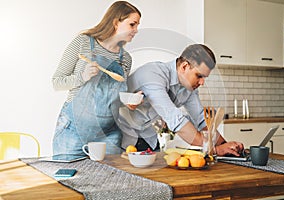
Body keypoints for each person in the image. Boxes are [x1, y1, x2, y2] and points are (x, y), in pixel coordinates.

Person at [117, 44, 244, 156]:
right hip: (118, 135)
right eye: (199, 76)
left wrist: (228, 146)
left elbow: (202, 121)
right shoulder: (153, 74)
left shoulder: (188, 88)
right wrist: (216, 150)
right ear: (184, 66)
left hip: (145, 137)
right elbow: (175, 119)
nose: (202, 82)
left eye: (204, 77)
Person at [52, 1, 141, 156]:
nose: (136, 30)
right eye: (132, 24)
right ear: (115, 23)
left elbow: (112, 97)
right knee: (67, 178)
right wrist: (82, 77)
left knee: (108, 179)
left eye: (137, 25)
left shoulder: (125, 58)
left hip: (108, 134)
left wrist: (128, 102)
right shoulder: (83, 42)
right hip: (73, 131)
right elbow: (57, 82)